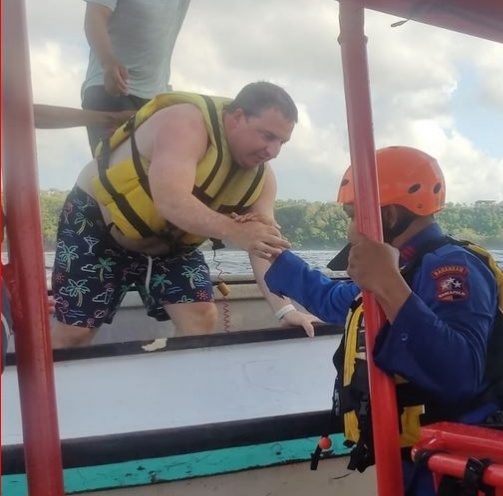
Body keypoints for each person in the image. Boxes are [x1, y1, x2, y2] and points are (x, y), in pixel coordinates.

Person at [255, 146, 503, 496]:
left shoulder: (451, 268)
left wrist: (390, 285)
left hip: (451, 457)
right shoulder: (400, 267)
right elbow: (335, 300)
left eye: (352, 216)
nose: (348, 230)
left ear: (390, 215)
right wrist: (271, 254)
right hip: (414, 454)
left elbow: (460, 373)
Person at [50, 81, 319, 349]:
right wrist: (236, 230)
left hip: (170, 244)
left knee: (200, 316)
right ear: (237, 117)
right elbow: (170, 201)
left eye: (282, 142)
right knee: (75, 332)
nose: (273, 152)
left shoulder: (263, 180)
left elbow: (265, 245)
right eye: (267, 136)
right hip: (98, 226)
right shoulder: (185, 124)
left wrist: (285, 311)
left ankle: (180, 376)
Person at [81, 0, 191, 154]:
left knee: (163, 164)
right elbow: (95, 16)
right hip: (112, 88)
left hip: (156, 97)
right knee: (117, 164)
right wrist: (108, 62)